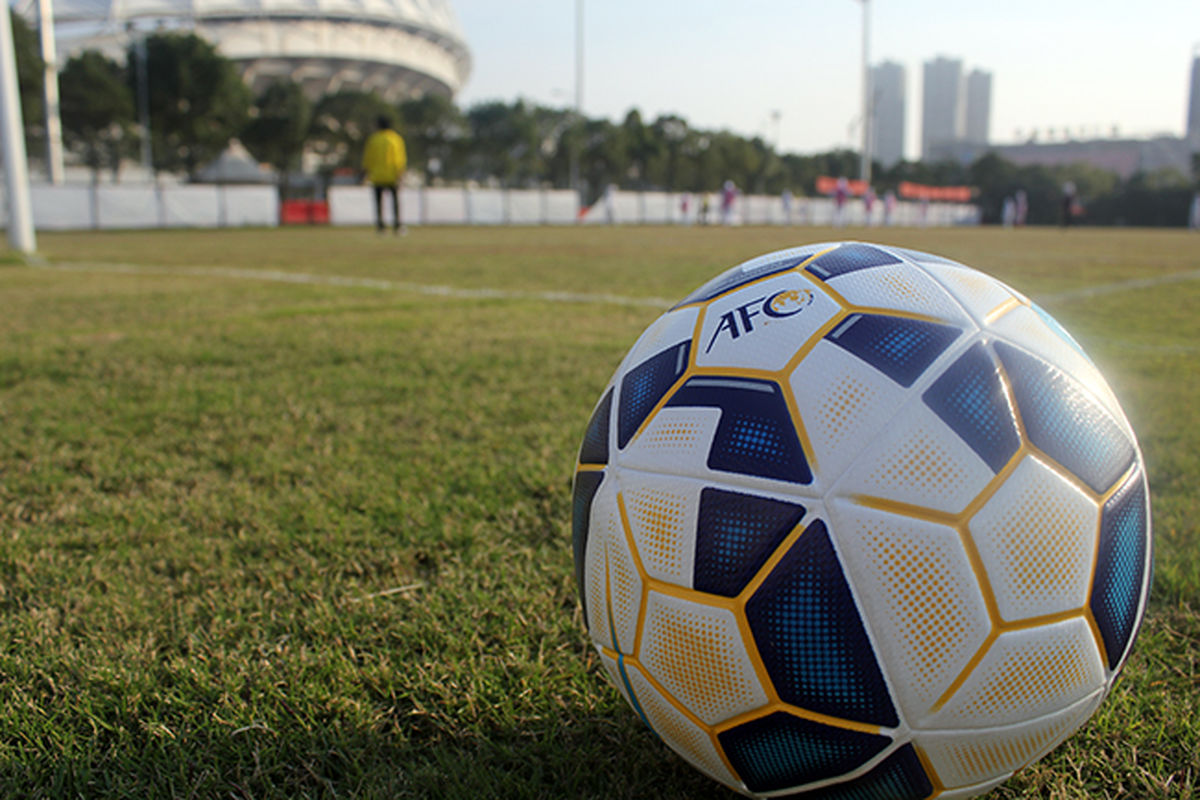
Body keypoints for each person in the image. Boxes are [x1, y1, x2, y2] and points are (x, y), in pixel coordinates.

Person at [362, 116, 407, 234]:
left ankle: (381, 227)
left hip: (377, 176)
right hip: (392, 176)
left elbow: (368, 158)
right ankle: (397, 226)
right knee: (395, 203)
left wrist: (367, 172)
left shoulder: (374, 139)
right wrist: (400, 173)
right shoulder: (395, 139)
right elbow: (399, 158)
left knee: (379, 204)